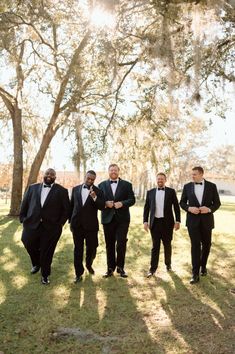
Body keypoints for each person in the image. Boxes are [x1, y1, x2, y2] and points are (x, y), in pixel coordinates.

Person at [19, 168, 70, 285]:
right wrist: (23, 218)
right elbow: (25, 203)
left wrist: (60, 224)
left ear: (55, 177)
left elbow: (66, 210)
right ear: (43, 175)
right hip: (32, 223)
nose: (49, 176)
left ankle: (45, 275)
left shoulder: (62, 191)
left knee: (47, 252)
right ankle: (36, 263)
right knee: (27, 241)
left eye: (52, 174)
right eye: (47, 173)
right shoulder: (32, 188)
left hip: (51, 227)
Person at [180, 166, 221, 284]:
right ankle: (195, 274)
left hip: (207, 221)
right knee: (195, 246)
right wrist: (189, 208)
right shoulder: (187, 186)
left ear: (201, 174)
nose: (192, 176)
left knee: (207, 245)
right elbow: (182, 202)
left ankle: (203, 266)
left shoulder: (212, 186)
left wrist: (208, 209)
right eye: (192, 174)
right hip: (192, 222)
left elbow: (217, 203)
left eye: (195, 174)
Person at [98, 164, 135, 278]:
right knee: (109, 245)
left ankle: (120, 267)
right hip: (107, 219)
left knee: (121, 243)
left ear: (119, 171)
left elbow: (132, 200)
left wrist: (122, 203)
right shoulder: (101, 185)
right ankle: (110, 268)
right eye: (111, 170)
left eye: (115, 170)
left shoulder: (127, 185)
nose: (113, 171)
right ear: (108, 171)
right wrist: (105, 203)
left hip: (122, 219)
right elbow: (98, 202)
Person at [70, 170, 105, 283]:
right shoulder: (75, 189)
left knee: (92, 248)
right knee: (78, 250)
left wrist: (95, 197)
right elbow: (72, 206)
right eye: (88, 178)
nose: (90, 181)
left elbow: (102, 206)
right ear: (85, 177)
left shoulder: (98, 191)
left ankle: (89, 264)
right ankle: (78, 273)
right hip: (77, 226)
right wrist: (70, 221)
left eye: (92, 180)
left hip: (91, 227)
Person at [143, 172, 181, 278]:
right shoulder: (150, 192)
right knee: (155, 247)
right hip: (154, 223)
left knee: (167, 245)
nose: (160, 180)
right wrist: (145, 221)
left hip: (167, 223)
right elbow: (146, 208)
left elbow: (176, 207)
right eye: (158, 179)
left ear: (165, 180)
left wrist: (178, 221)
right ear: (156, 180)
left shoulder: (171, 192)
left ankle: (168, 265)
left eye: (162, 179)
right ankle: (152, 269)